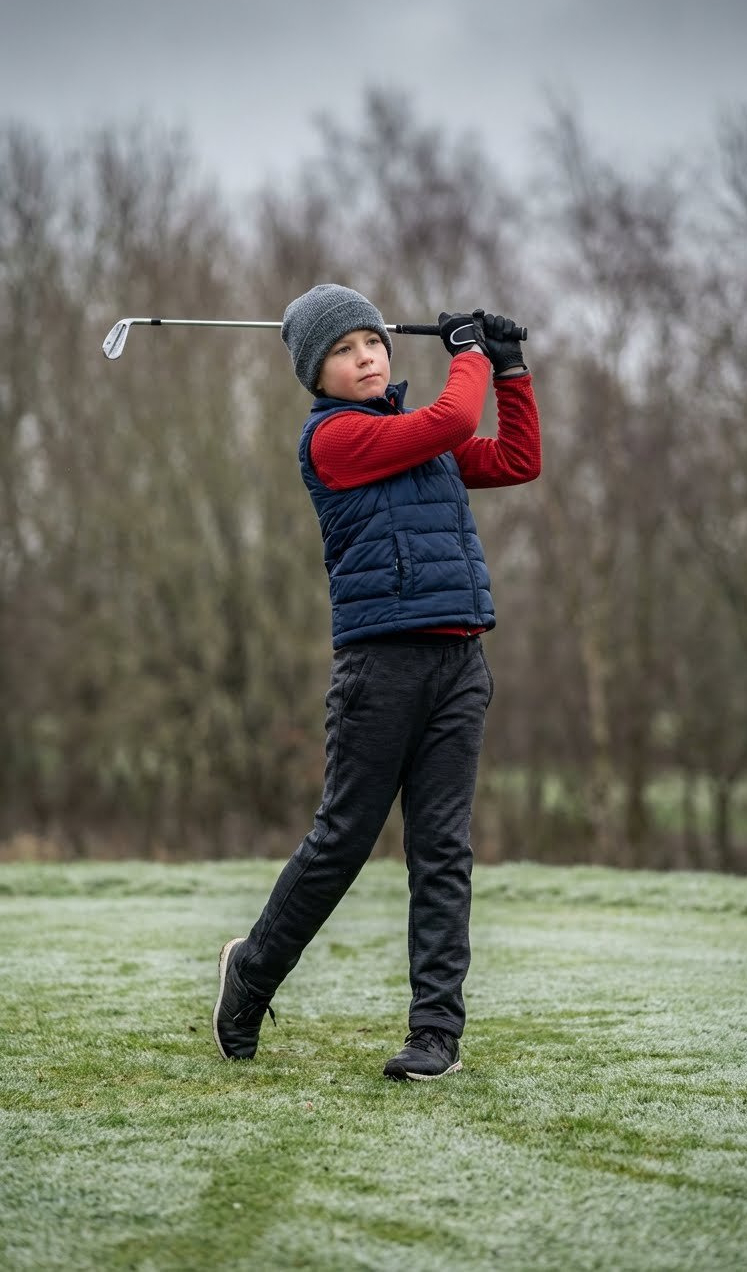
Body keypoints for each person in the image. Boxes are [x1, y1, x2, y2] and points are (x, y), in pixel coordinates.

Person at [212, 284, 541, 1080]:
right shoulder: (334, 440)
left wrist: (509, 368)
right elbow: (452, 421)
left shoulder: (417, 438)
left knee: (442, 849)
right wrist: (467, 353)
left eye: (372, 342)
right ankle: (251, 972)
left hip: (459, 663)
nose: (365, 358)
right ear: (316, 373)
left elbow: (515, 458)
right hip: (380, 668)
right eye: (343, 350)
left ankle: (435, 1034)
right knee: (343, 841)